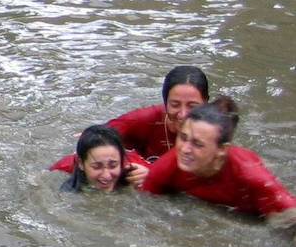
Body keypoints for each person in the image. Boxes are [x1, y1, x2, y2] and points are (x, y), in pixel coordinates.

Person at [140, 99, 296, 222]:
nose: (185, 149)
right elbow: (143, 208)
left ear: (222, 149)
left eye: (197, 144)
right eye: (183, 137)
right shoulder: (166, 167)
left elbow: (290, 216)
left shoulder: (252, 177)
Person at [100, 66, 209, 161]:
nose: (183, 115)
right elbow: (95, 139)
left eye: (192, 106)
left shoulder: (215, 131)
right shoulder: (143, 120)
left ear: (206, 103)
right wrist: (132, 164)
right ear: (165, 104)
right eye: (175, 105)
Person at [57, 125, 148, 192]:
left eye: (113, 165)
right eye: (97, 167)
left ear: (121, 160)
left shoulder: (138, 171)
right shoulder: (63, 167)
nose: (106, 176)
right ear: (81, 163)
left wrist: (150, 178)